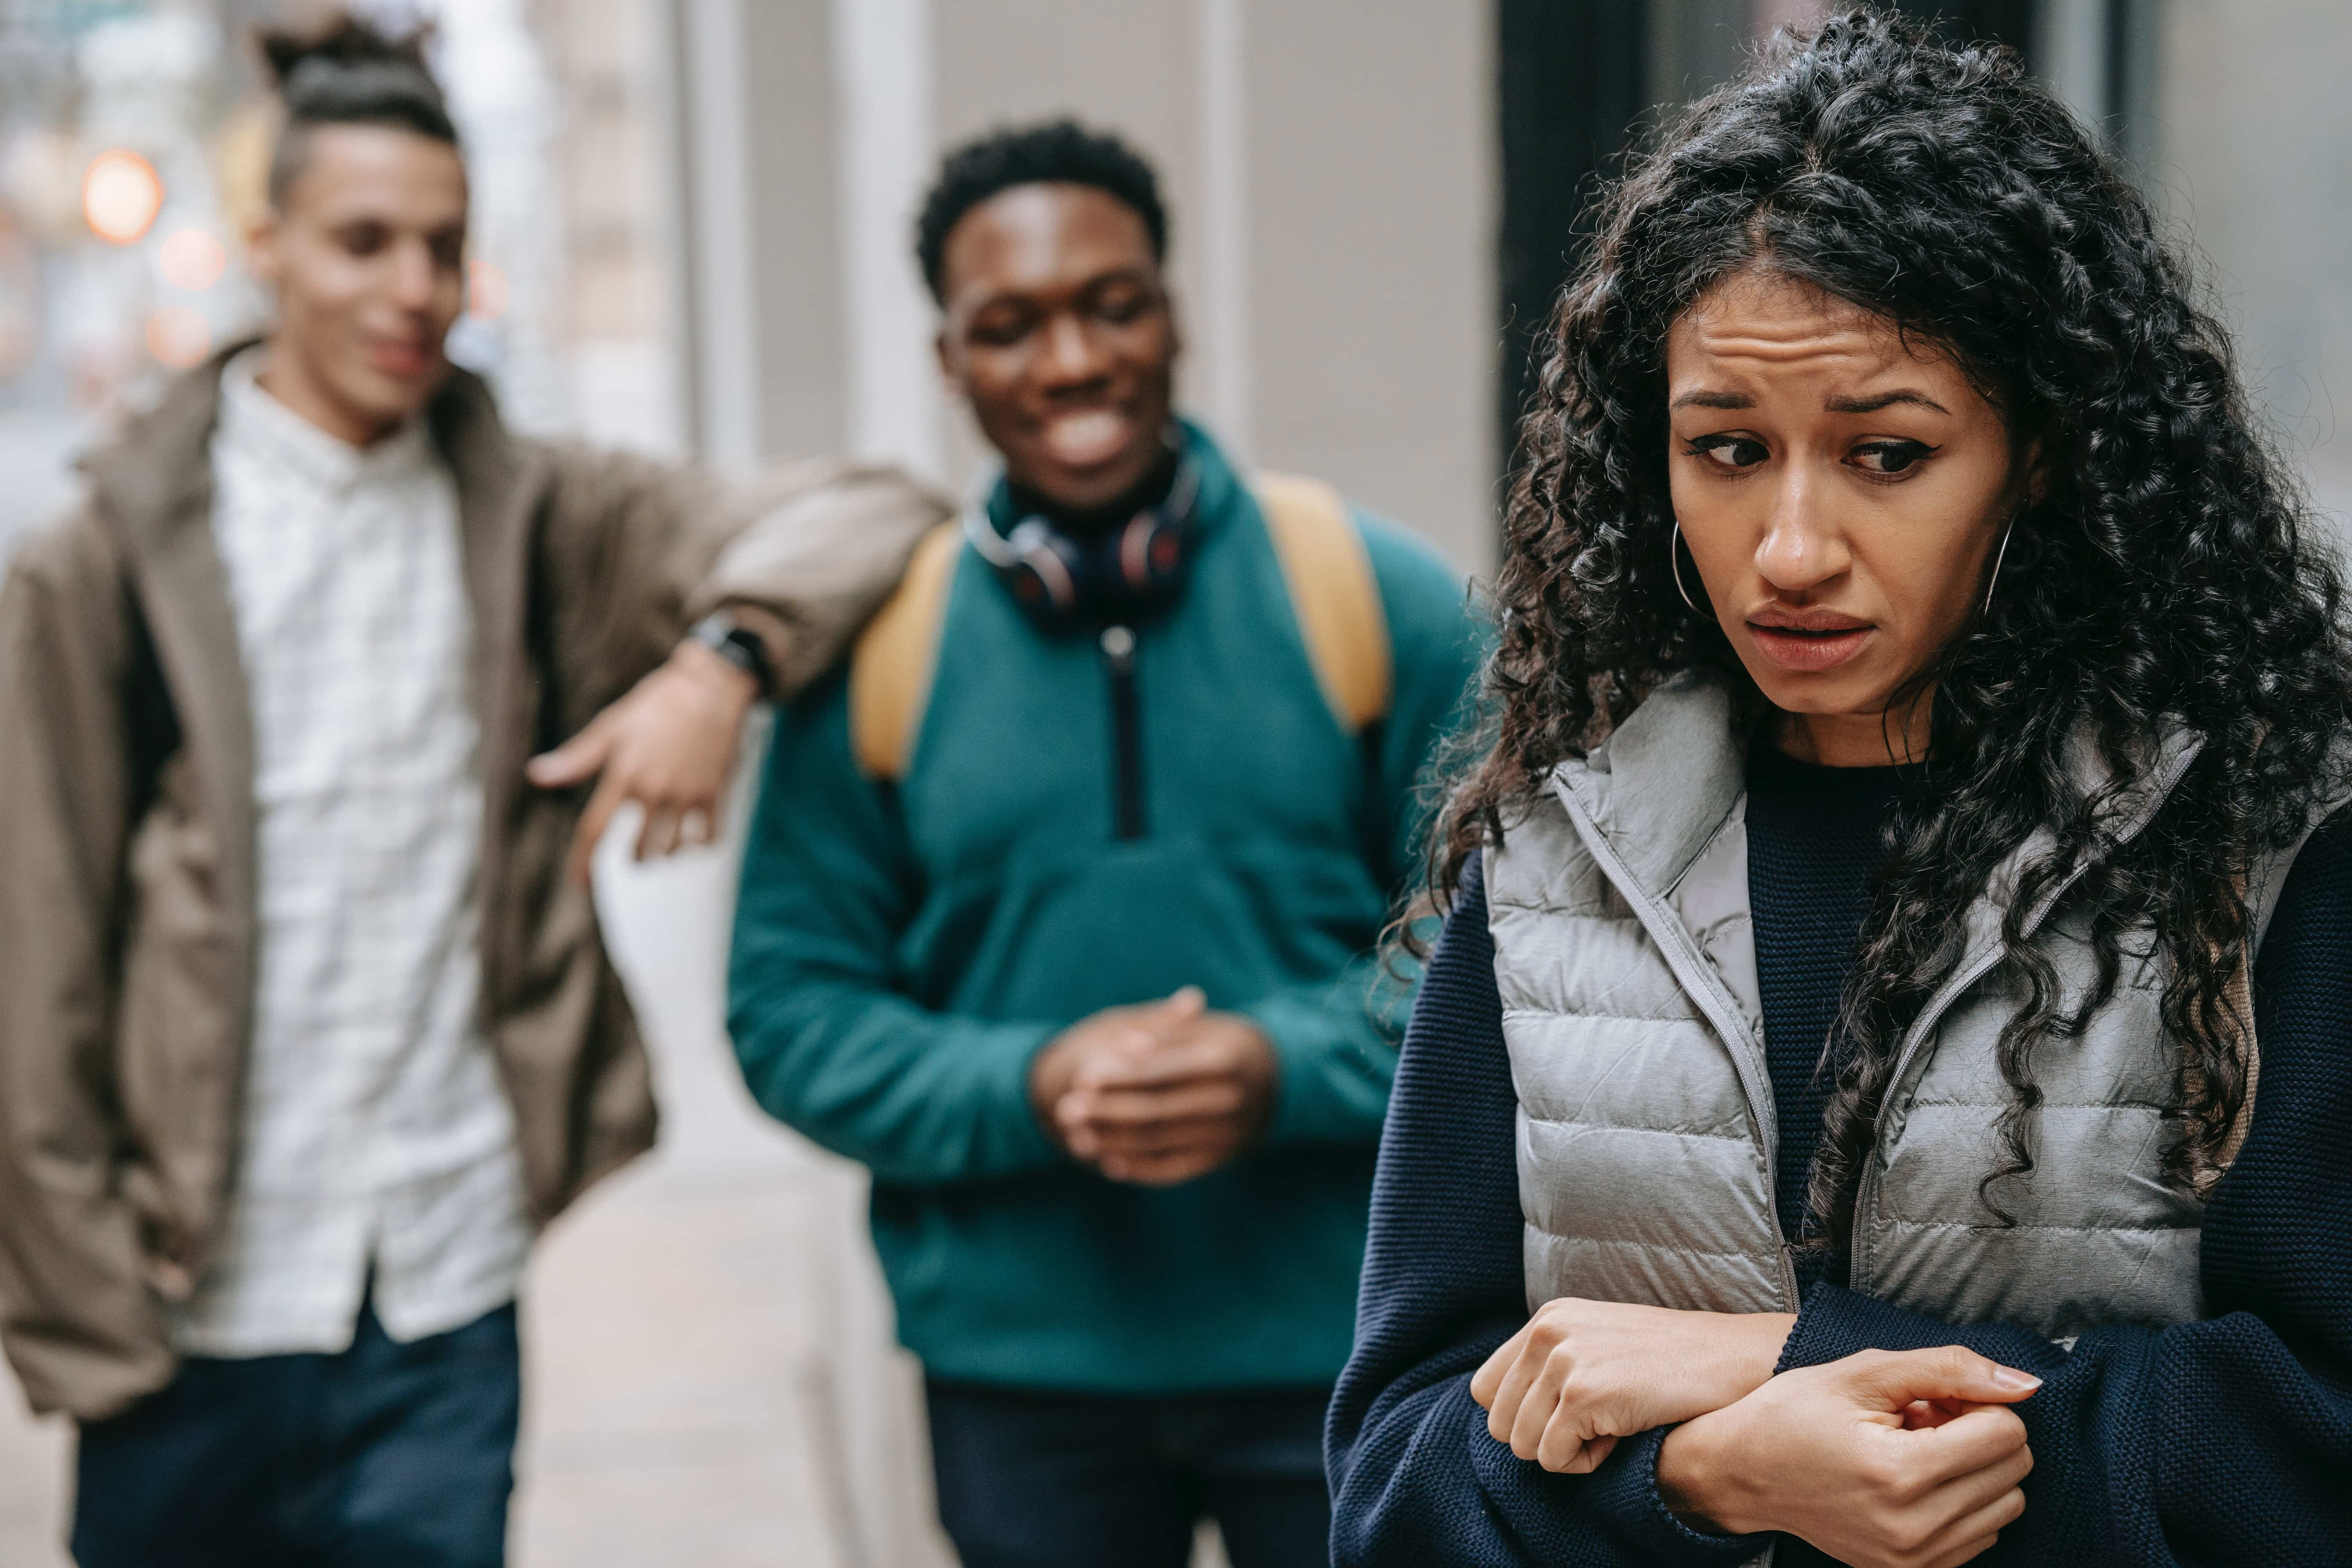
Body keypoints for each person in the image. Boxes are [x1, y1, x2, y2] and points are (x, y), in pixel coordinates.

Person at [1328, 13, 2352, 1568]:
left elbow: (2314, 1445)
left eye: (1887, 454)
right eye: (1728, 448)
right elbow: (1390, 1486)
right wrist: (1704, 1478)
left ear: (2043, 454)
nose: (1791, 547)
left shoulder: (2257, 851)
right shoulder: (1561, 857)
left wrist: (1786, 1353)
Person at [0, 18, 942, 1567]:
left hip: (442, 1305)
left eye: (443, 246)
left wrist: (717, 668)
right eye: (364, 243)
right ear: (266, 251)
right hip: (188, 1317)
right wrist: (94, 1310)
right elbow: (34, 958)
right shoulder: (107, 553)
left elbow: (874, 509)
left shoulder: (540, 509)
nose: (414, 290)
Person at [727, 120, 1483, 1568]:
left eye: (1110, 304)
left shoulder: (1377, 599)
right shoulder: (875, 654)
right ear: (950, 361)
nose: (1070, 362)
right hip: (1022, 1385)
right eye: (1009, 327)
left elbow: (1511, 954)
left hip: (1346, 1345)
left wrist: (1281, 1066)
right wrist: (1032, 1083)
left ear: (1175, 310)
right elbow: (787, 1010)